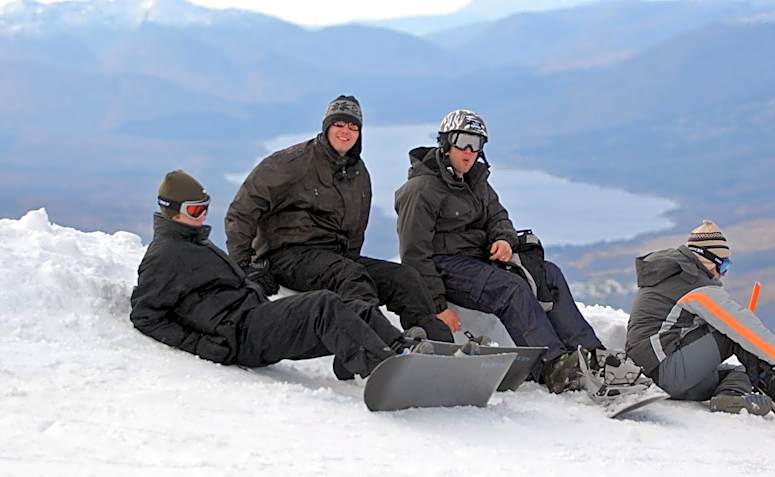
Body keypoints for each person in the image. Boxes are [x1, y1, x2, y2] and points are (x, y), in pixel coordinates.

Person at [131, 170, 424, 378]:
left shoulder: (192, 242)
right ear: (171, 211)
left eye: (205, 208)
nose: (203, 216)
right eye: (195, 211)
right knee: (322, 305)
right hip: (240, 334)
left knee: (356, 307)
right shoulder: (164, 256)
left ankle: (403, 350)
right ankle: (388, 370)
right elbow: (146, 315)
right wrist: (203, 346)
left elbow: (212, 287)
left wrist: (250, 279)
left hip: (254, 317)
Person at [394, 109, 603, 393]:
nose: (469, 151)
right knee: (511, 289)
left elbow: (498, 218)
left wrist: (504, 240)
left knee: (548, 274)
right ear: (445, 142)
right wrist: (436, 306)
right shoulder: (421, 190)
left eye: (476, 144)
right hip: (446, 267)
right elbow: (414, 255)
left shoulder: (476, 180)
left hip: (478, 261)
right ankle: (554, 366)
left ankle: (592, 354)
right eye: (462, 141)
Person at [224, 95, 453, 344]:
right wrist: (244, 266)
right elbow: (242, 210)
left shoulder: (358, 172)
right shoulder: (291, 163)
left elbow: (355, 232)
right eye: (339, 125)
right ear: (327, 127)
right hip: (288, 255)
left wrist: (349, 260)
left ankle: (440, 347)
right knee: (352, 276)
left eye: (353, 127)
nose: (346, 132)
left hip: (334, 259)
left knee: (403, 278)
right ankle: (377, 347)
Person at [626, 220, 775, 415]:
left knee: (739, 372)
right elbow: (738, 325)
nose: (724, 274)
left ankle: (730, 397)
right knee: (733, 333)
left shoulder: (679, 275)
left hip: (660, 372)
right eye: (723, 265)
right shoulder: (691, 281)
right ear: (706, 259)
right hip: (663, 369)